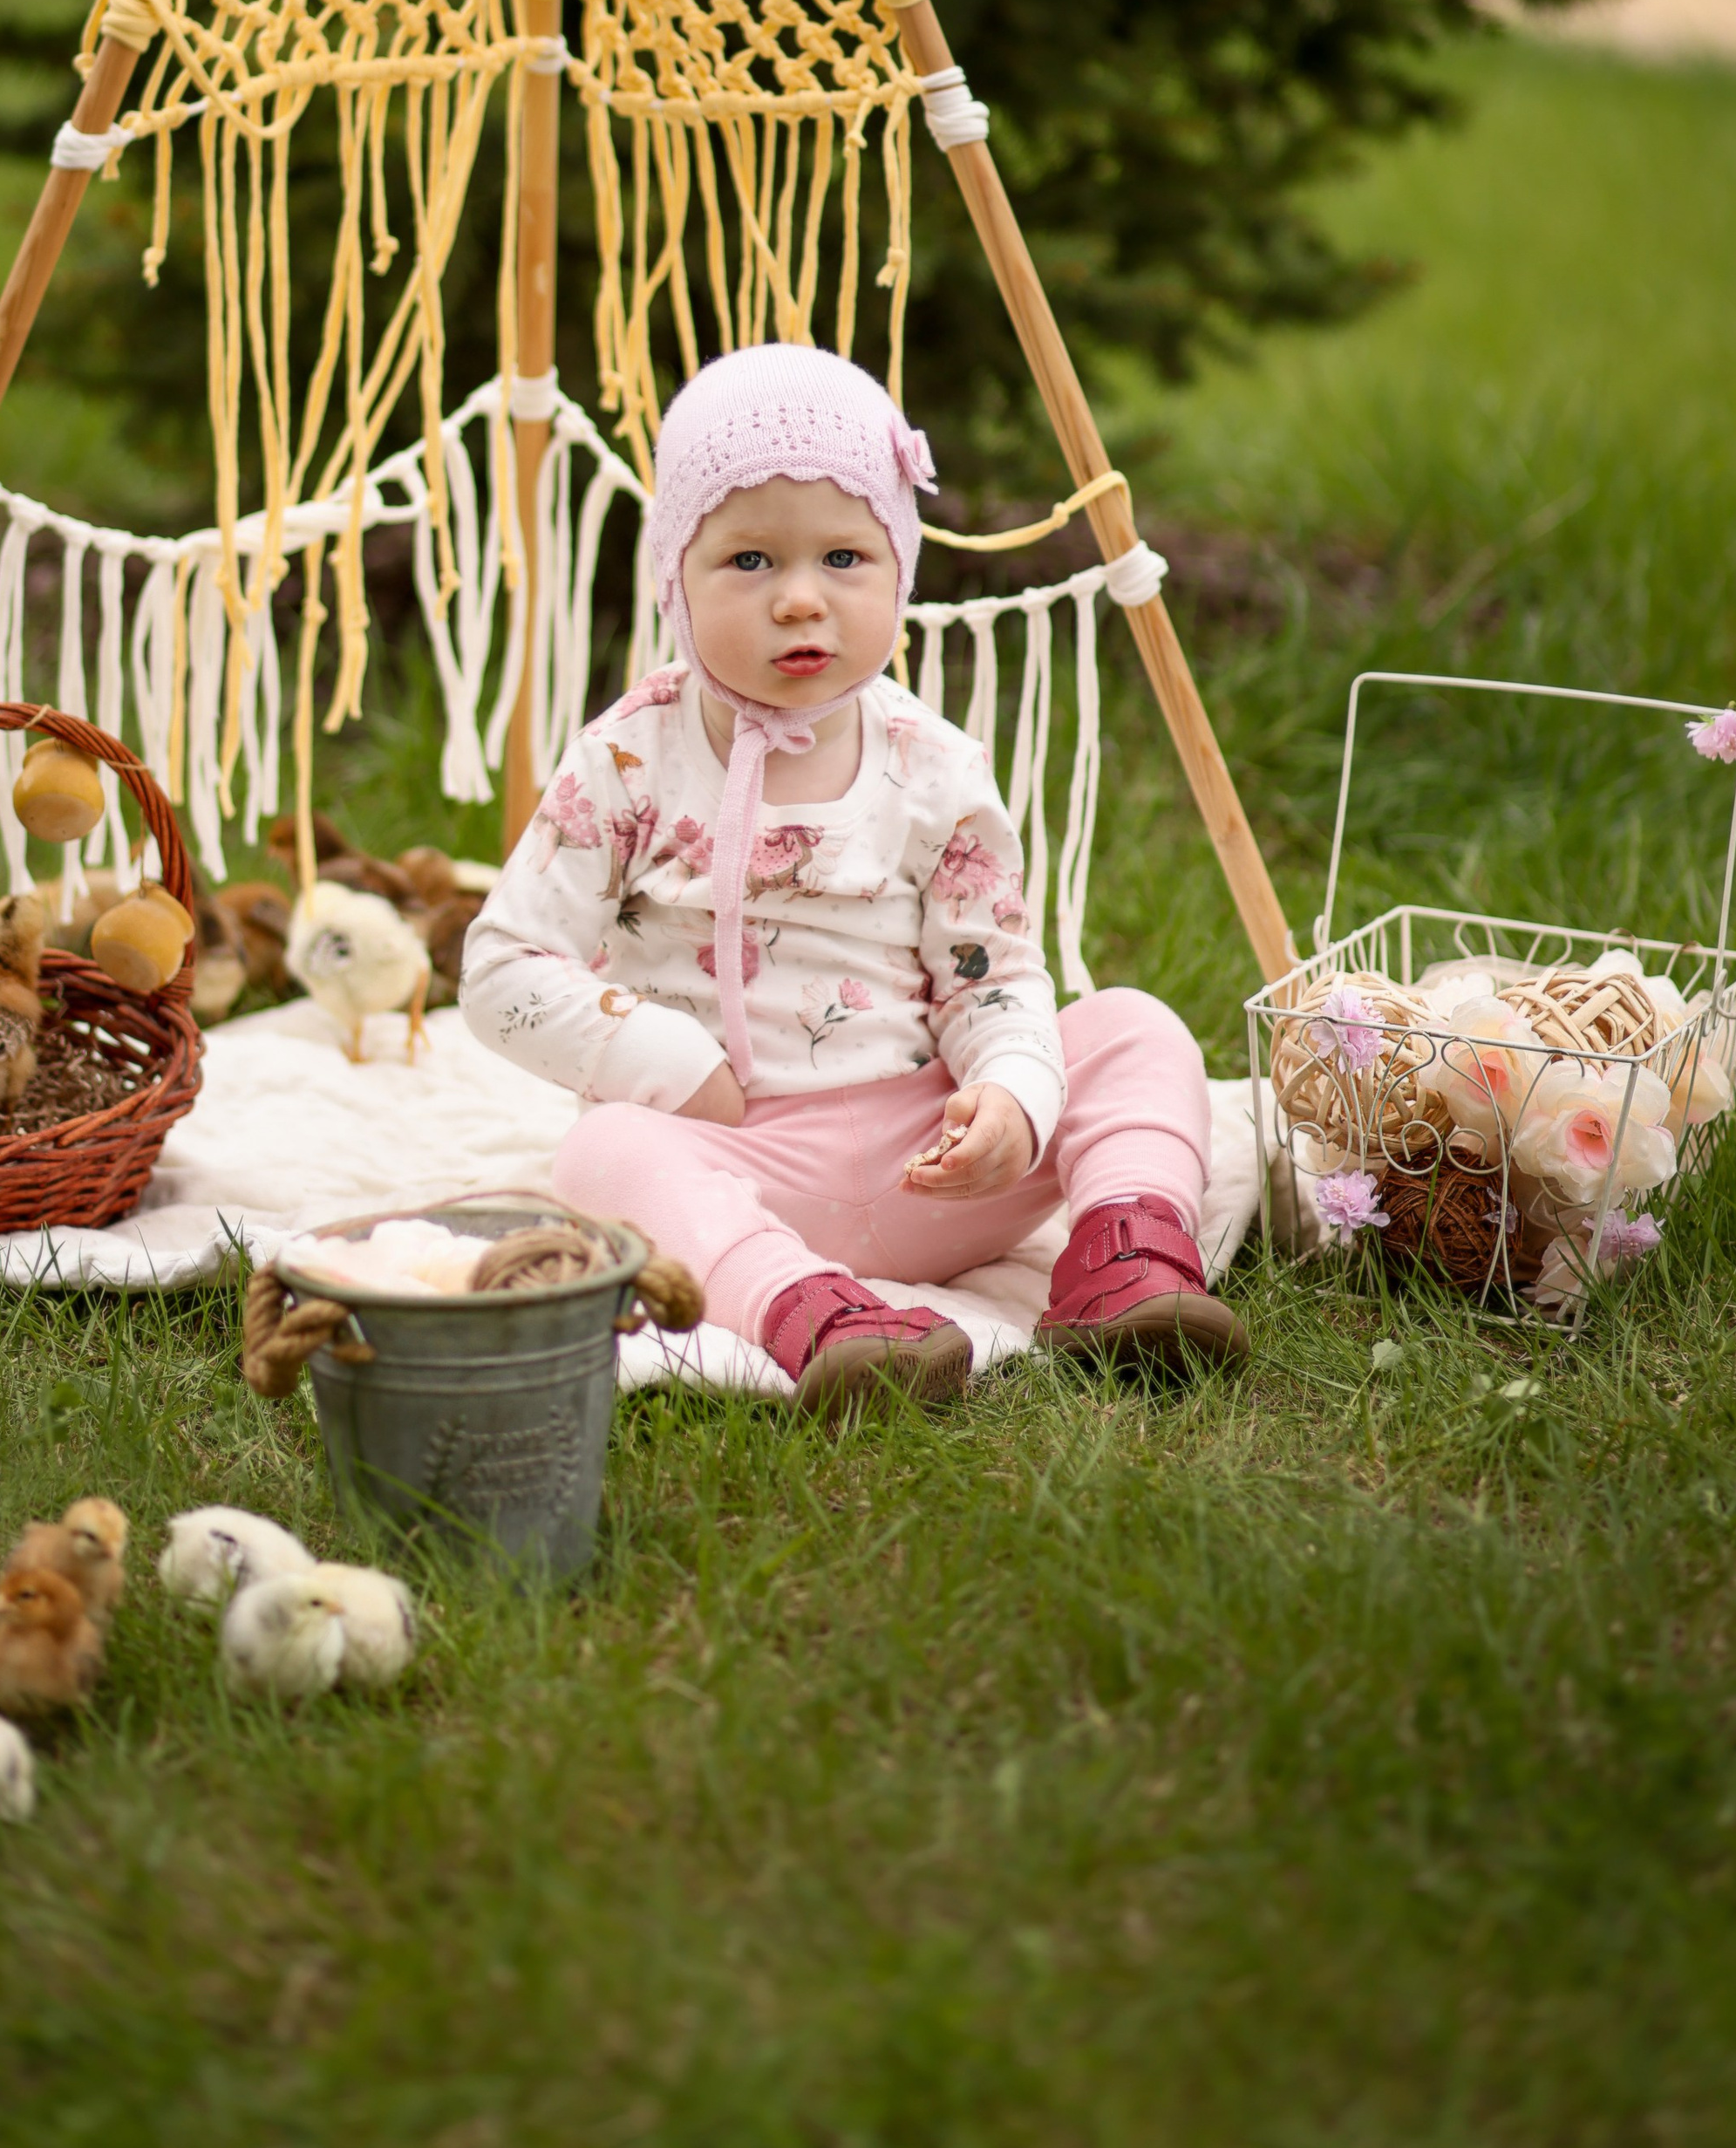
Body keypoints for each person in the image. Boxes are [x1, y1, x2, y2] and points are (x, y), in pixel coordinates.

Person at [460, 345, 1248, 1412]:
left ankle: (1125, 1262)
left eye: (843, 557)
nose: (799, 600)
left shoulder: (934, 766)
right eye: (748, 561)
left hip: (939, 1162)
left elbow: (991, 973)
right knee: (603, 1153)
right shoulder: (629, 760)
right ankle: (814, 1315)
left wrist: (1010, 1096)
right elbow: (502, 968)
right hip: (741, 1159)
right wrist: (664, 1062)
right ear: (675, 581)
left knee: (1132, 1029)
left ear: (899, 569)